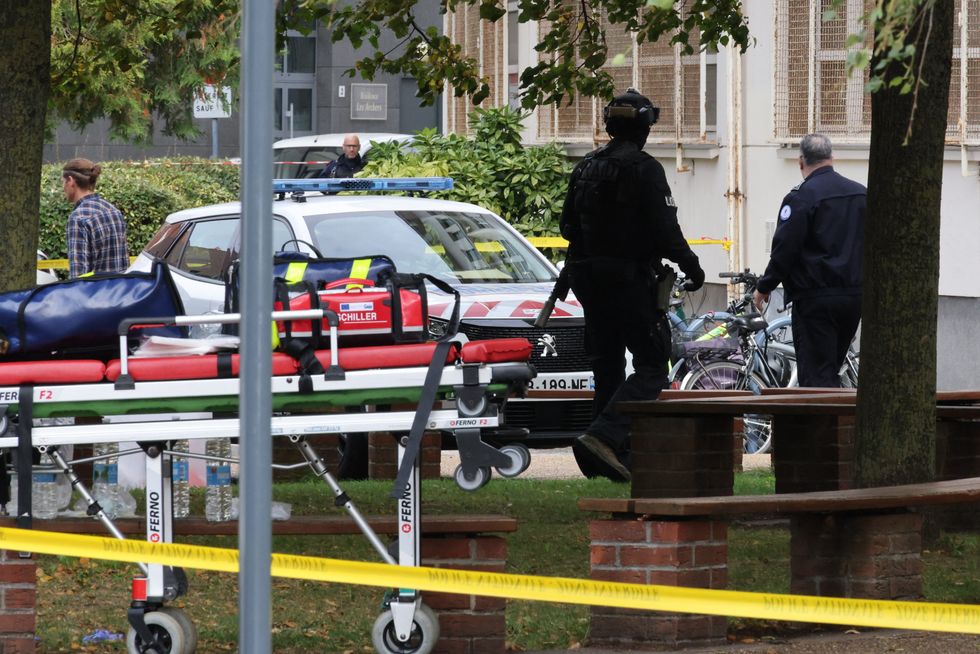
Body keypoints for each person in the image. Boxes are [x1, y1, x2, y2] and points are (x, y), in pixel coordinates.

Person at [559, 88, 705, 481]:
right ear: (644, 127)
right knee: (654, 364)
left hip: (589, 280)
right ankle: (604, 437)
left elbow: (567, 226)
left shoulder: (587, 166)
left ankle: (608, 455)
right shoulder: (644, 168)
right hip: (628, 281)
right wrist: (692, 266)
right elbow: (666, 229)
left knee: (607, 366)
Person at [753, 133, 865, 387]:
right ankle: (834, 420)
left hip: (816, 299)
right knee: (833, 367)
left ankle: (821, 425)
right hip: (853, 297)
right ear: (832, 158)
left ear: (801, 161)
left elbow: (785, 249)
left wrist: (765, 287)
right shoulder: (861, 195)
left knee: (816, 375)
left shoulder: (801, 198)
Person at [62, 158, 129, 278]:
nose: (63, 188)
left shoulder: (78, 218)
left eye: (63, 182)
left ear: (71, 181)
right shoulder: (113, 211)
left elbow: (79, 276)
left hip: (95, 294)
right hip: (120, 292)